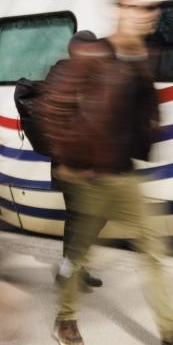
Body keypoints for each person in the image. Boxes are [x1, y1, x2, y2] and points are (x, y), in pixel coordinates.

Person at [41, 0, 173, 345]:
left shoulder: (142, 56)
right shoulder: (92, 54)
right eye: (137, 8)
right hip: (90, 176)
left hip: (125, 175)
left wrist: (150, 129)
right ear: (120, 11)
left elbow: (143, 106)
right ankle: (65, 319)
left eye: (149, 9)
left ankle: (172, 339)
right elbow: (52, 106)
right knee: (78, 255)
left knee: (155, 251)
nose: (146, 15)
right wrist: (68, 160)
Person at [46, 30, 106, 293]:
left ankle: (74, 268)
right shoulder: (62, 76)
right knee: (81, 217)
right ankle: (69, 272)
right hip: (69, 162)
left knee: (89, 216)